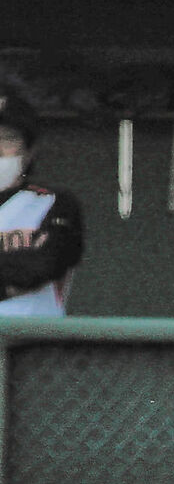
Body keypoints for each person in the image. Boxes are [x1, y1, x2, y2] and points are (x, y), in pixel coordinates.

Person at [0, 87, 84, 318]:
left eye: (7, 138)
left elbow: (42, 267)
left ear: (29, 151)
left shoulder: (54, 202)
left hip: (34, 345)